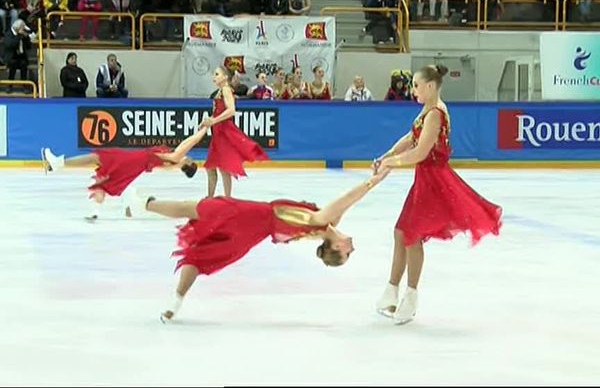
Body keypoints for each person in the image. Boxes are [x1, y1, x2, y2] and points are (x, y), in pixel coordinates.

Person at [123, 167, 390, 322]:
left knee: (193, 208)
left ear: (336, 249)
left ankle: (143, 205)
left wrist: (373, 181)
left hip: (250, 216)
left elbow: (346, 198)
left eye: (346, 255)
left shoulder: (321, 221)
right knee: (201, 253)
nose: (351, 249)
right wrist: (374, 179)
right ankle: (175, 303)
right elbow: (348, 203)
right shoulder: (325, 225)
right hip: (251, 233)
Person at [373, 64, 502, 325]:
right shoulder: (427, 110)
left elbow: (420, 153)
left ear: (430, 87)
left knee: (411, 235)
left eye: (417, 86)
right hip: (424, 180)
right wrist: (387, 155)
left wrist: (391, 164)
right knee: (402, 233)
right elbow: (411, 137)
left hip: (434, 182)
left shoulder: (435, 113)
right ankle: (391, 292)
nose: (413, 90)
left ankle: (409, 297)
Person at [41, 126, 208, 220]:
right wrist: (202, 128)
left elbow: (190, 142)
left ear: (189, 163)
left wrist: (205, 128)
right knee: (104, 177)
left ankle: (58, 163)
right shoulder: (174, 162)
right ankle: (96, 211)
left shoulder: (175, 159)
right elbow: (187, 142)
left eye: (190, 158)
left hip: (133, 160)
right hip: (134, 163)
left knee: (99, 157)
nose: (189, 155)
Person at [200, 67, 269, 198]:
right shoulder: (220, 91)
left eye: (217, 74)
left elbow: (231, 110)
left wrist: (214, 120)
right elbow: (218, 111)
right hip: (218, 131)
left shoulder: (226, 90)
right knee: (214, 166)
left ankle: (224, 198)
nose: (213, 77)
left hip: (224, 131)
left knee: (221, 167)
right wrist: (207, 122)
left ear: (225, 77)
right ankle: (215, 197)